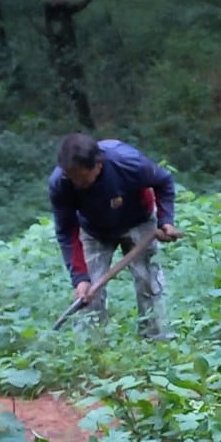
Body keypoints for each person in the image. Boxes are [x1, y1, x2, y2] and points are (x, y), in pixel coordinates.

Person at [49, 134, 183, 340]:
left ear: (98, 166)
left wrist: (166, 221)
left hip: (139, 220)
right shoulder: (60, 183)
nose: (76, 183)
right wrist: (80, 278)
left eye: (82, 179)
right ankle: (94, 348)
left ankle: (155, 339)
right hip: (94, 230)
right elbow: (67, 231)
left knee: (148, 281)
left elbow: (163, 181)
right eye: (71, 178)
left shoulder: (128, 162)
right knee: (88, 295)